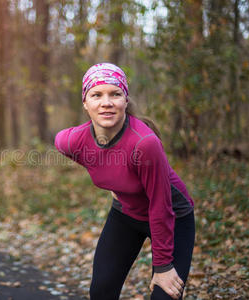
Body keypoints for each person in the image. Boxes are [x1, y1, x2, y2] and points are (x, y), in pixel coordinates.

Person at [54, 63, 195, 300]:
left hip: (172, 217)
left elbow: (161, 206)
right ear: (85, 103)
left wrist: (162, 267)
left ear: (125, 100)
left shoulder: (145, 144)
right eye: (96, 95)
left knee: (165, 297)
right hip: (125, 215)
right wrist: (113, 181)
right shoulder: (72, 140)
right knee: (101, 292)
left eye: (115, 94)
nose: (106, 102)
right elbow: (64, 144)